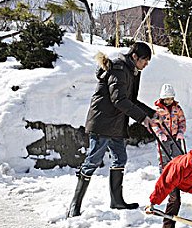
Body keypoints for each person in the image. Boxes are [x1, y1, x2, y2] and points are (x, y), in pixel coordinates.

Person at [67, 42, 157, 218]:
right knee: (93, 161)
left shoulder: (132, 71)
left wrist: (152, 114)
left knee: (120, 158)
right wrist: (142, 118)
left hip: (115, 123)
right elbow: (119, 100)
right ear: (134, 57)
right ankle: (74, 205)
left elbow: (131, 100)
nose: (146, 64)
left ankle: (117, 201)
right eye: (144, 60)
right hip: (102, 122)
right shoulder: (118, 69)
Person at [151, 83, 186, 171]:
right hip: (164, 139)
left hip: (175, 137)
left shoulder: (177, 108)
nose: (169, 101)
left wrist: (181, 132)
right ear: (162, 99)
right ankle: (164, 177)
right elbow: (154, 124)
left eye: (171, 99)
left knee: (178, 158)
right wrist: (159, 134)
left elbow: (182, 121)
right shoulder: (157, 110)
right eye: (167, 99)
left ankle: (178, 176)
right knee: (164, 159)